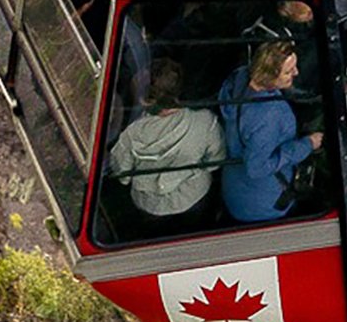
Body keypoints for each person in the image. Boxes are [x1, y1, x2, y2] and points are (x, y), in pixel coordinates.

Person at [109, 57, 225, 230]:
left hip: (150, 205)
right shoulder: (206, 121)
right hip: (194, 197)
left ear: (147, 98)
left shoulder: (132, 133)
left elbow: (122, 175)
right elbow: (216, 161)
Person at [218, 41, 323, 223]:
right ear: (270, 76)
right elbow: (257, 167)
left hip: (235, 189)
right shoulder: (269, 115)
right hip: (266, 203)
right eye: (288, 72)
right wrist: (308, 144)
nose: (296, 73)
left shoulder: (240, 76)